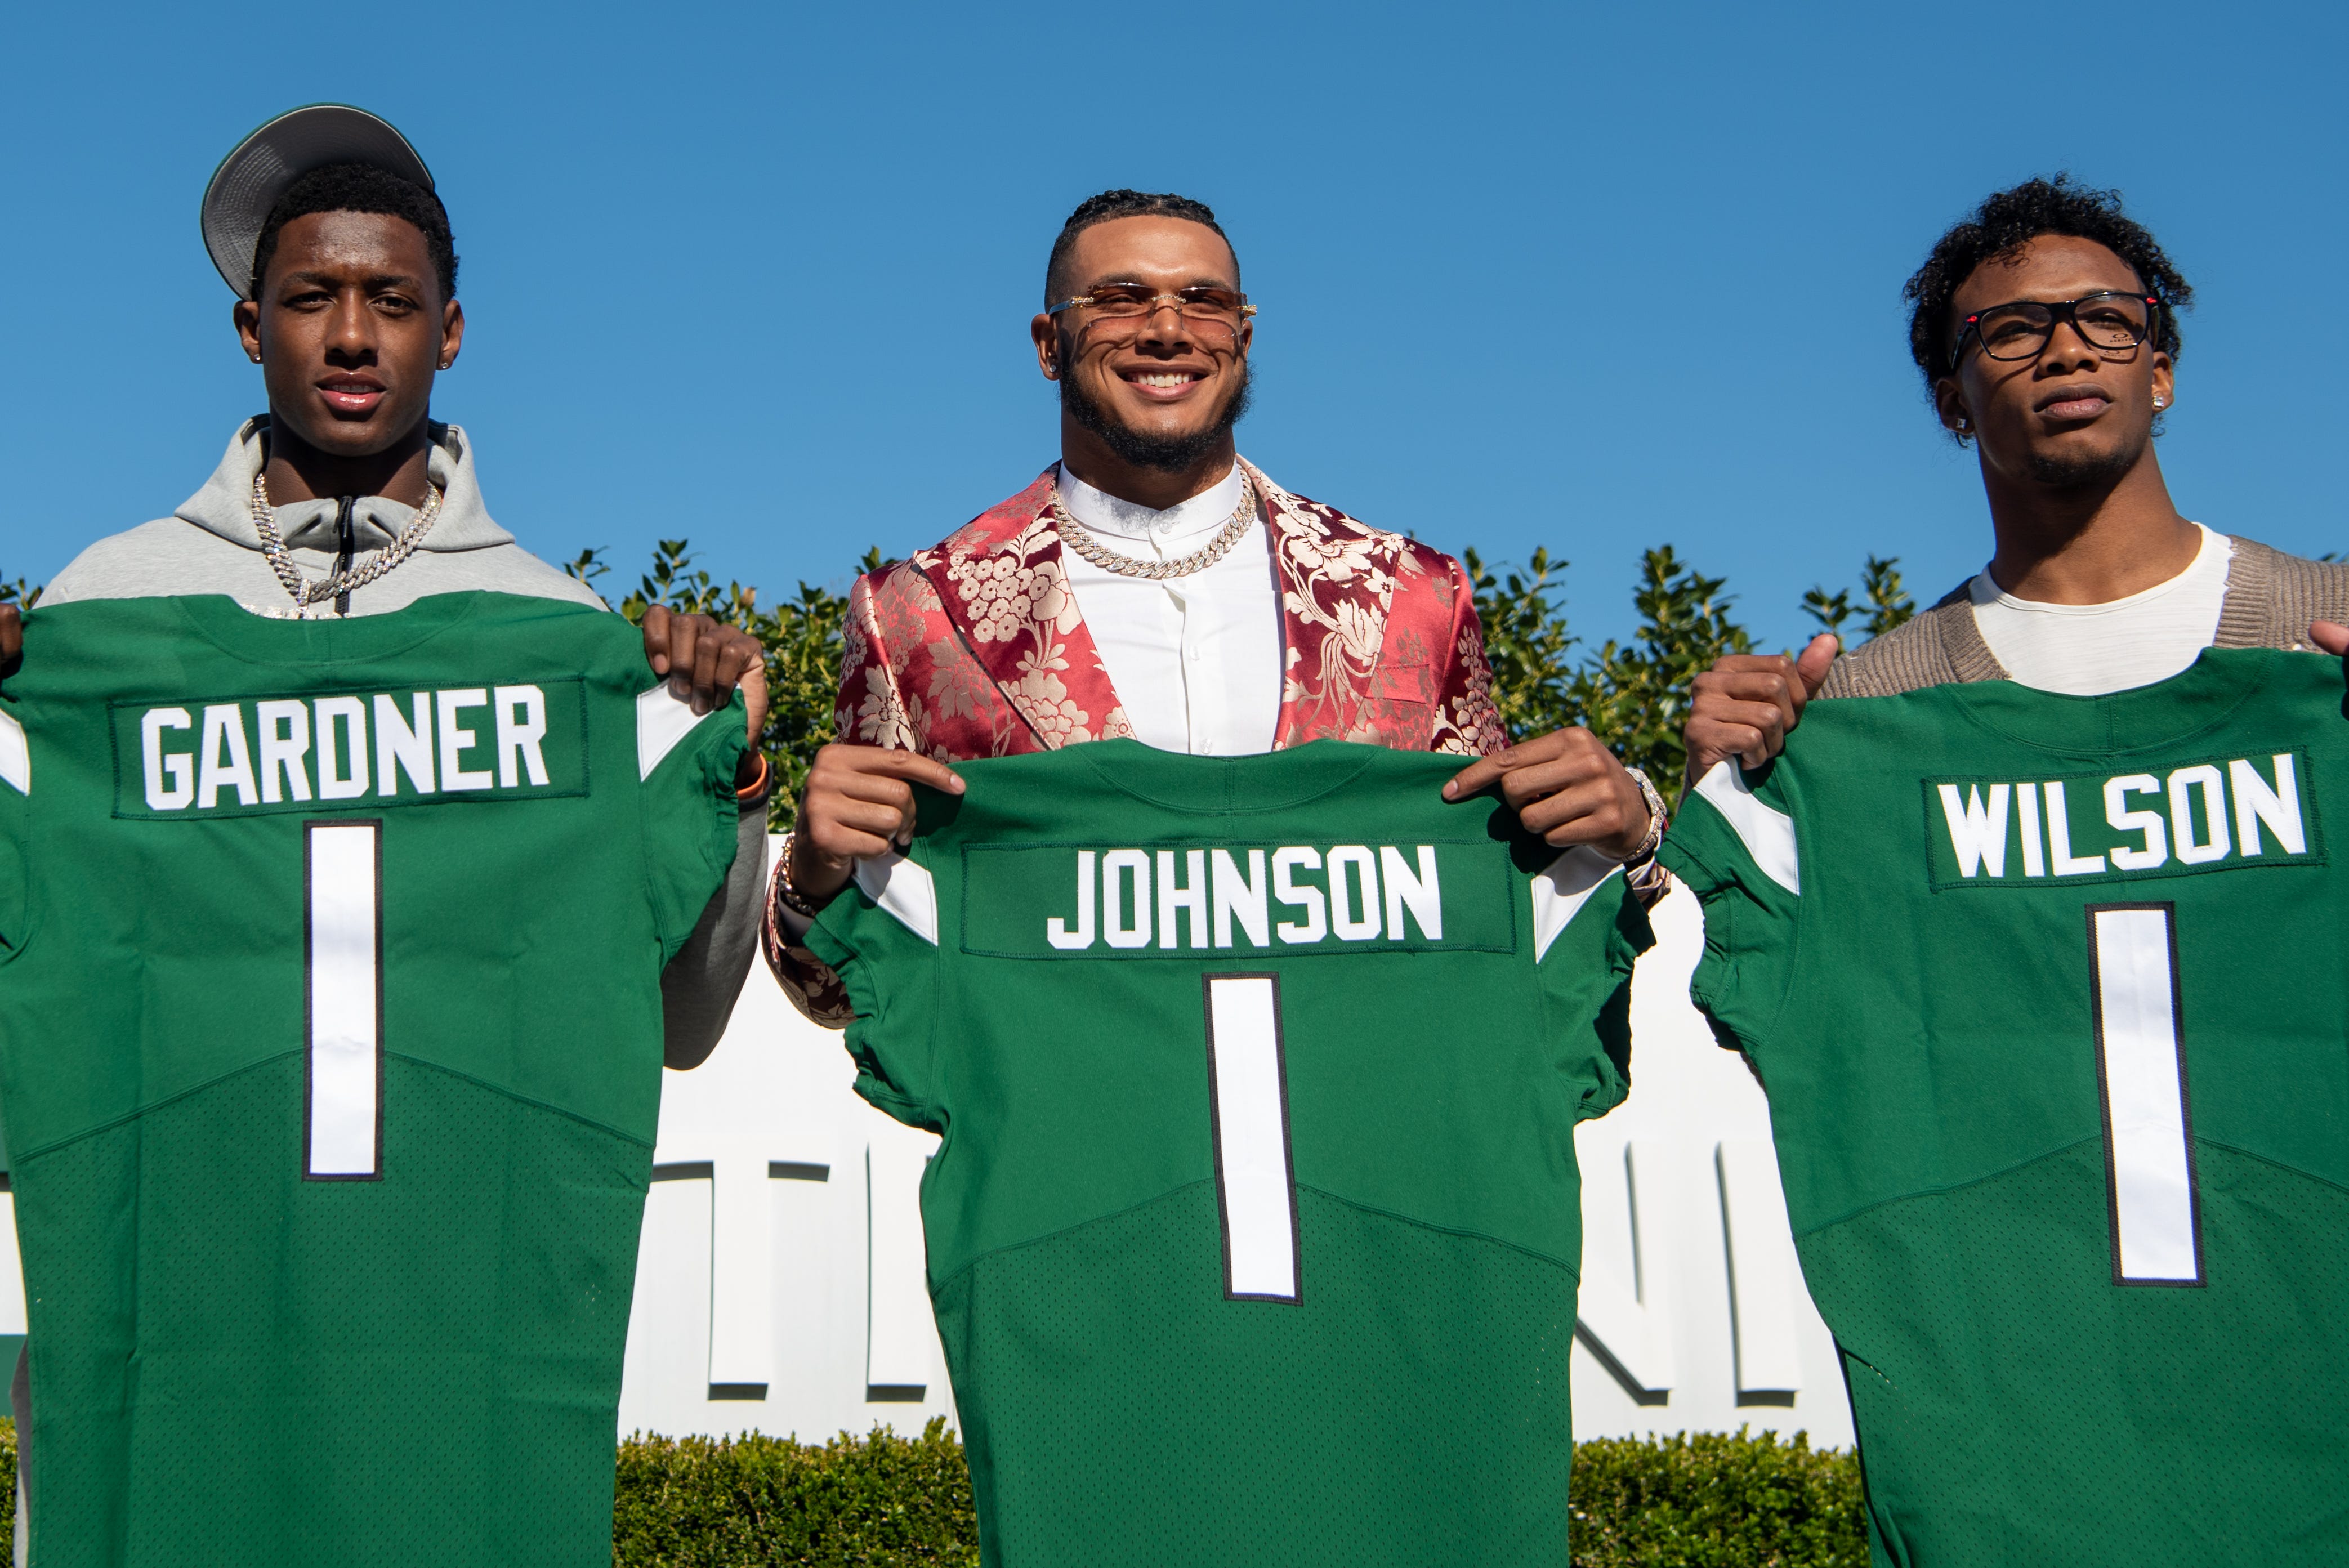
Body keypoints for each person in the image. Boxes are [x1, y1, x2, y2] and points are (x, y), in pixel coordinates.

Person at [0, 104, 769, 1565]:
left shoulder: (560, 639)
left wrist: (719, 775)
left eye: (391, 301)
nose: (351, 336)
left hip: (453, 1382)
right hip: (175, 1373)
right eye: (311, 297)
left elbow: (677, 1020)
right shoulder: (100, 618)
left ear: (450, 332)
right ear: (252, 329)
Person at [762, 189, 1666, 1018]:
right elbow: (852, 995)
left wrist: (1632, 833)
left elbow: (1497, 911)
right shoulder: (915, 612)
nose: (1168, 329)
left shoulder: (1409, 592)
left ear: (1243, 336)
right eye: (1121, 298)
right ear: (1048, 344)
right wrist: (810, 884)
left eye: (1205, 301)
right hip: (1074, 1125)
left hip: (1362, 1109)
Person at [1685, 174, 2349, 771]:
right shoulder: (1869, 704)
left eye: (2106, 318)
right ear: (1954, 406)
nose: (2067, 350)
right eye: (2011, 331)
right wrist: (1715, 785)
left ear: (2159, 378)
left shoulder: (2335, 621)